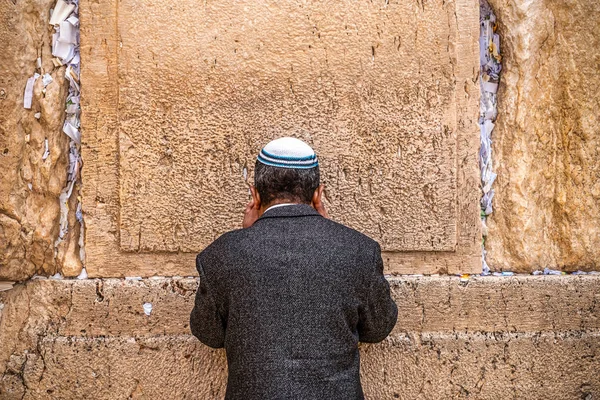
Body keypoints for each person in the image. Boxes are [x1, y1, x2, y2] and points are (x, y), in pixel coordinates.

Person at [190, 137, 398, 400]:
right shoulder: (359, 250)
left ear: (255, 195)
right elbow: (378, 328)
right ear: (317, 195)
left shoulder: (221, 254)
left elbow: (209, 333)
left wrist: (248, 237)